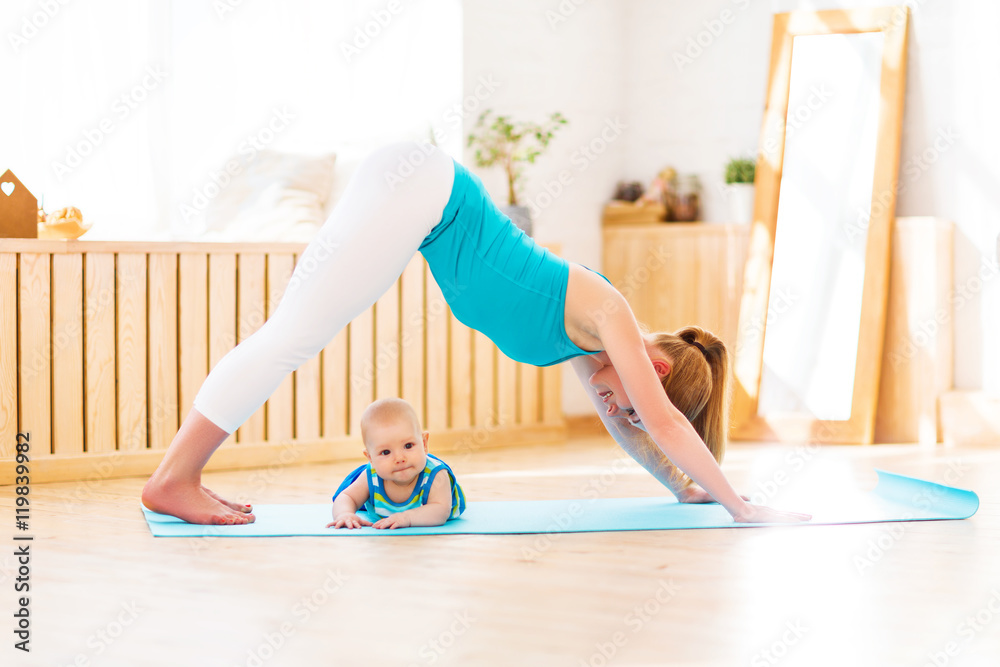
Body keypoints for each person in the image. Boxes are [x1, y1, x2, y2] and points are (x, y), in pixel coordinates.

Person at [141, 141, 811, 526]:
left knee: (291, 331)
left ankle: (177, 475)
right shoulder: (610, 315)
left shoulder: (585, 344)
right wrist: (740, 507)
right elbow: (661, 421)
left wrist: (680, 488)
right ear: (654, 368)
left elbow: (637, 429)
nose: (616, 407)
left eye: (621, 407)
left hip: (420, 198)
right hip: (425, 189)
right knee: (292, 334)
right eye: (628, 398)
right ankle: (175, 477)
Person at [327, 398, 465, 530]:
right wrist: (344, 514)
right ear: (370, 458)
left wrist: (406, 518)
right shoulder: (371, 475)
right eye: (386, 452)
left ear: (424, 444)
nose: (399, 458)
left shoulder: (436, 475)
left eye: (408, 445)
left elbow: (440, 511)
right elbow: (346, 497)